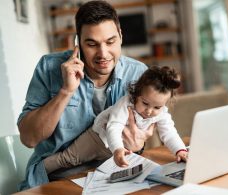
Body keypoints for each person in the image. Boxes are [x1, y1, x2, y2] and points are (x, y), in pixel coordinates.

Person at [17, 0, 153, 190]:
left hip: (116, 174)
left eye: (110, 42)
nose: (103, 54)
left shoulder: (138, 73)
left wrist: (139, 144)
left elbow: (144, 132)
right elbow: (28, 138)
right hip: (58, 177)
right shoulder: (49, 68)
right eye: (91, 44)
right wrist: (66, 91)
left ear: (121, 36)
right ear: (77, 43)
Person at [43, 66, 188, 173]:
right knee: (68, 159)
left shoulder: (162, 113)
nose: (149, 111)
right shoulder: (126, 103)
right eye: (145, 103)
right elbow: (114, 127)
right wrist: (118, 149)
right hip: (97, 139)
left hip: (117, 151)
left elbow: (169, 132)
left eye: (157, 107)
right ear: (136, 94)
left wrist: (180, 150)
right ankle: (40, 170)